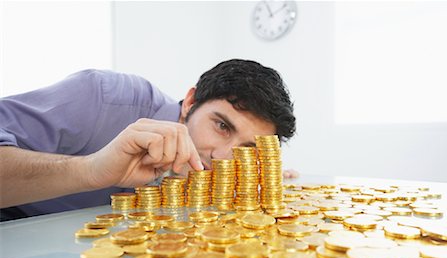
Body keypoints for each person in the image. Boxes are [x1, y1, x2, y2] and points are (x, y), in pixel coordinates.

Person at [0, 59, 296, 221]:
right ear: (190, 102)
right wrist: (91, 170)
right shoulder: (103, 96)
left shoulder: (222, 171)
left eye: (246, 151)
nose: (223, 158)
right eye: (221, 126)